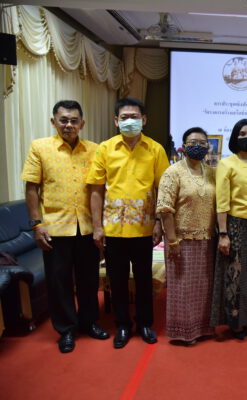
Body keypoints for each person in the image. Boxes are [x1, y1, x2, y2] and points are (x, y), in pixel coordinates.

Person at [21, 100, 109, 353]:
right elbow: (31, 188)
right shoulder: (40, 148)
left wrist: (100, 225)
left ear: (82, 123)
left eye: (73, 120)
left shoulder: (94, 150)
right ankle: (67, 329)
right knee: (58, 282)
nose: (68, 125)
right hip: (55, 228)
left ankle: (89, 323)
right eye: (63, 120)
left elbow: (100, 189)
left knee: (89, 280)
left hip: (87, 227)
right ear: (54, 122)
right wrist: (36, 225)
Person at [87, 97, 170, 349]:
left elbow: (163, 189)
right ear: (116, 121)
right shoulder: (105, 149)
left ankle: (145, 323)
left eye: (135, 117)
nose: (130, 121)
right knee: (118, 280)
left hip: (144, 228)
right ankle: (122, 325)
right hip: (113, 230)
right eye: (124, 117)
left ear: (144, 120)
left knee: (144, 280)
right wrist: (97, 227)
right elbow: (96, 190)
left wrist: (159, 222)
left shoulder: (155, 149)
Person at [157, 127, 216, 346]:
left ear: (208, 147)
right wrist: (172, 240)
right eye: (193, 142)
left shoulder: (212, 173)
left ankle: (203, 328)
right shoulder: (173, 172)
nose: (197, 146)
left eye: (202, 143)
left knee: (203, 288)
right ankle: (183, 332)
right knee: (182, 289)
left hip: (207, 240)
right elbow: (165, 209)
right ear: (184, 146)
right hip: (180, 241)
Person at [211, 119, 247, 340]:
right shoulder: (227, 164)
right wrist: (223, 234)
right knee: (234, 275)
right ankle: (234, 322)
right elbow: (222, 202)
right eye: (242, 133)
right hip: (234, 225)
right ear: (235, 137)